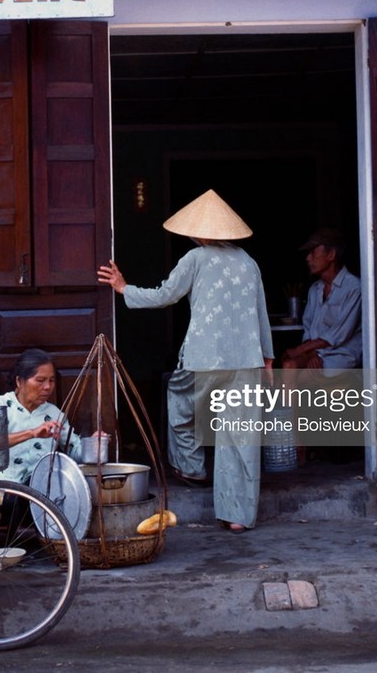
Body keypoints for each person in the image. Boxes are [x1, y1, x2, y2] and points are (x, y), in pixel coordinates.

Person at [98, 189, 273, 533]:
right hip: (247, 359)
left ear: (202, 231)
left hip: (204, 358)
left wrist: (123, 288)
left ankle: (192, 467)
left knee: (179, 399)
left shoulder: (196, 258)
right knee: (239, 435)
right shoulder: (248, 262)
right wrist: (267, 358)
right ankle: (238, 516)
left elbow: (166, 295)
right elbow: (261, 313)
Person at [0, 348, 80, 484]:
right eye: (40, 380)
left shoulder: (54, 414)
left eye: (51, 380)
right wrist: (32, 433)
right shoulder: (1, 405)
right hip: (4, 488)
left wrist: (94, 445)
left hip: (40, 489)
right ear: (19, 381)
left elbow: (75, 450)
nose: (47, 387)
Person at [281, 228, 362, 372]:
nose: (308, 258)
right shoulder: (315, 289)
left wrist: (299, 350)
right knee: (288, 365)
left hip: (341, 355)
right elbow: (309, 330)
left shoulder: (354, 288)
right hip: (316, 352)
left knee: (294, 374)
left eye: (313, 252)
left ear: (331, 254)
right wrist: (311, 353)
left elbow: (338, 335)